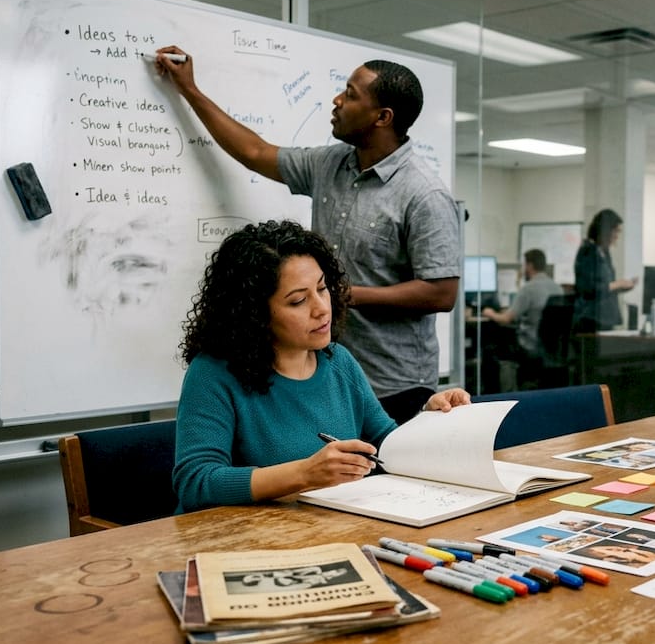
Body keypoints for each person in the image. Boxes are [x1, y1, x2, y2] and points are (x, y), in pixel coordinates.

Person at [153, 47, 461, 424]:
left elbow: (441, 292)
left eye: (350, 94)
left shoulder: (424, 194)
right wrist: (190, 90)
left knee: (388, 478)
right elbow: (254, 151)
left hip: (395, 383)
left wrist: (343, 295)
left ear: (383, 117)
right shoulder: (330, 164)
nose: (337, 100)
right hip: (327, 373)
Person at [173, 220, 469, 513]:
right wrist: (304, 474)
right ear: (254, 313)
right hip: (239, 545)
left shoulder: (337, 360)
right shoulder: (213, 373)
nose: (322, 307)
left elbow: (385, 445)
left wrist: (428, 419)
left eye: (323, 288)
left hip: (322, 528)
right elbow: (196, 482)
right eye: (299, 300)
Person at [481, 248, 564, 368]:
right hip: (553, 349)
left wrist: (490, 313)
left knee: (489, 346)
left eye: (524, 265)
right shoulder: (558, 289)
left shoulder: (528, 289)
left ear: (529, 265)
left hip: (529, 346)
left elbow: (506, 319)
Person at [573, 209, 637, 332]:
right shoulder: (588, 251)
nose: (617, 236)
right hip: (590, 319)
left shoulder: (604, 252)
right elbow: (588, 288)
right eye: (616, 231)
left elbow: (605, 287)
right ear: (605, 230)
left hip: (605, 318)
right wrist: (618, 284)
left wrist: (622, 287)